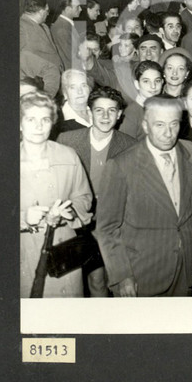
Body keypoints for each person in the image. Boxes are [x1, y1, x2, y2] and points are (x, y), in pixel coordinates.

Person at [95, 96, 192, 297]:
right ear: (145, 126)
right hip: (142, 274)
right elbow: (107, 228)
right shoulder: (121, 165)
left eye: (174, 124)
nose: (168, 133)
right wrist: (122, 275)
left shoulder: (191, 152)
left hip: (186, 269)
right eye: (159, 125)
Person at [56, 85, 137, 297]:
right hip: (78, 222)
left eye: (111, 110)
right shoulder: (67, 141)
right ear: (89, 112)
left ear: (119, 115)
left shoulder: (131, 146)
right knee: (95, 281)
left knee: (115, 281)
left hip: (114, 222)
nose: (105, 116)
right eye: (99, 110)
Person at [19, 92, 93, 298]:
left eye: (45, 119)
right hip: (25, 250)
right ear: (20, 124)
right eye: (31, 119)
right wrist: (24, 217)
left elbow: (84, 198)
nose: (39, 126)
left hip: (63, 249)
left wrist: (67, 212)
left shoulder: (68, 155)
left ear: (52, 124)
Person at [118, 60, 164, 139]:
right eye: (146, 81)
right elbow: (125, 147)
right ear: (137, 84)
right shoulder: (131, 113)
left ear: (162, 82)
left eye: (157, 81)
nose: (153, 86)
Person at [52, 69, 92, 137]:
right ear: (65, 93)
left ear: (89, 89)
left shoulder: (99, 112)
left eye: (83, 85)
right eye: (73, 87)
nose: (80, 91)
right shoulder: (57, 123)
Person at [51, 0, 83, 71]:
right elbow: (69, 58)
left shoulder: (66, 25)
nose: (81, 9)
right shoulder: (62, 28)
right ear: (68, 9)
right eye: (78, 7)